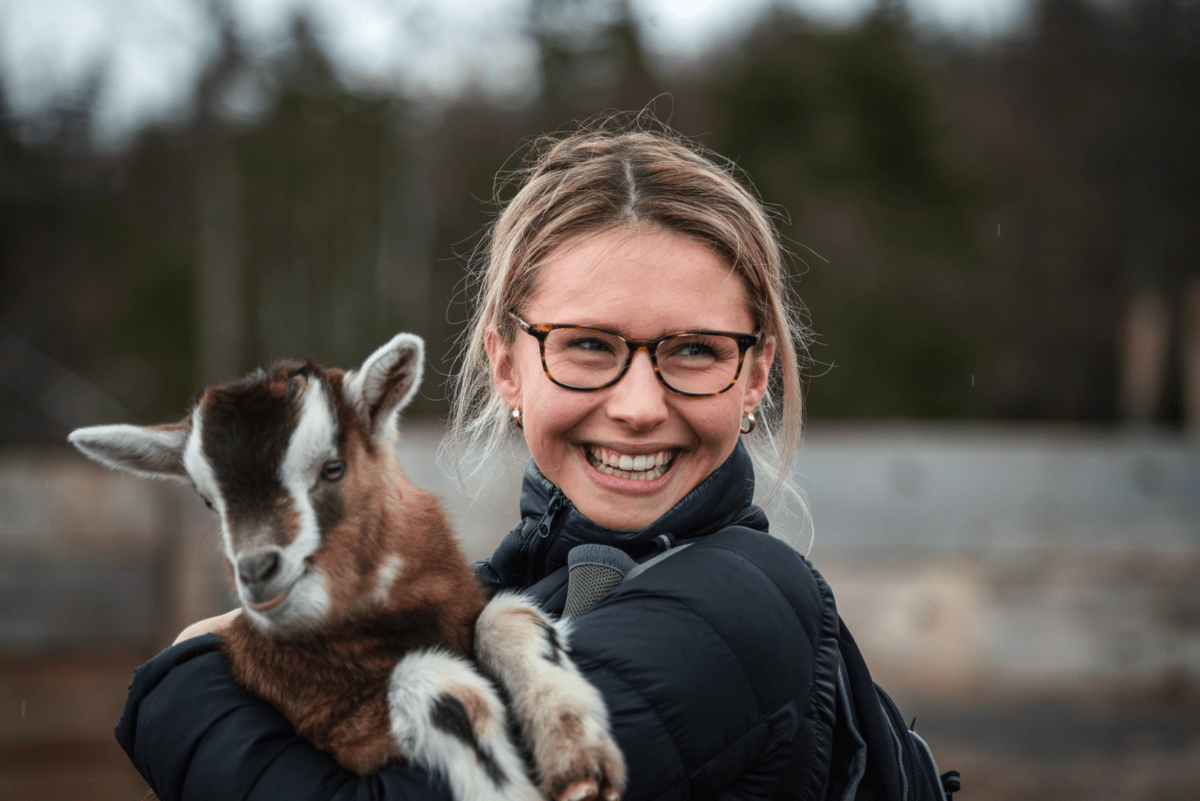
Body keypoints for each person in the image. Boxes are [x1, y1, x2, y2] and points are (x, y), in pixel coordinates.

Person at [116, 119, 915, 800]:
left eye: (697, 350)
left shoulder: (740, 612)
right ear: (507, 366)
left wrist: (185, 674)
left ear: (755, 374)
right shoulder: (508, 595)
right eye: (590, 345)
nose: (639, 406)